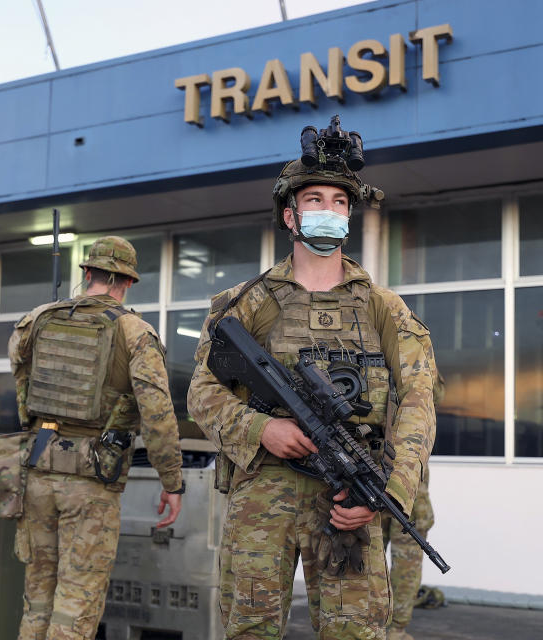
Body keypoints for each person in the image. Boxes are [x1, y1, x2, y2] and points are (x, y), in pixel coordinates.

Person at [188, 123, 436, 639]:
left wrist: (388, 491)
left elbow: (418, 400)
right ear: (290, 215)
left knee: (357, 632)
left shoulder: (382, 306)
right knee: (250, 629)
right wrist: (261, 430)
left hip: (350, 493)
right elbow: (202, 392)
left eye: (340, 201)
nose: (330, 208)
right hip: (264, 494)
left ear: (350, 214)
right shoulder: (248, 301)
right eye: (315, 198)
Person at [8, 236, 185, 640]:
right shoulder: (135, 332)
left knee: (37, 598)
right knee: (77, 604)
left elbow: (21, 378)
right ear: (128, 281)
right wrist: (172, 482)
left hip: (35, 470)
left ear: (87, 273)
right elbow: (157, 413)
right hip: (90, 482)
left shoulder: (36, 319)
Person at [382, 371, 445, 640]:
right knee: (363, 558)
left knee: (407, 561)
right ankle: (373, 626)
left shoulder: (417, 355)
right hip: (368, 476)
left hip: (410, 489)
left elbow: (436, 396)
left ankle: (395, 629)